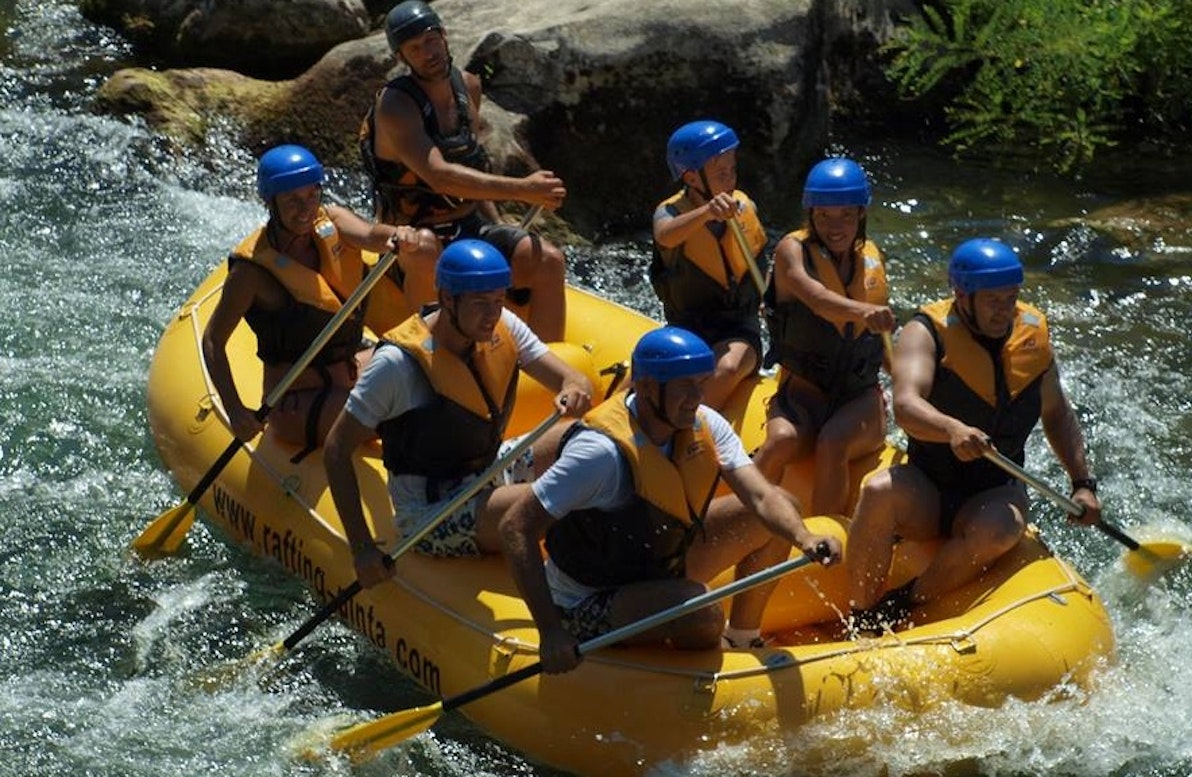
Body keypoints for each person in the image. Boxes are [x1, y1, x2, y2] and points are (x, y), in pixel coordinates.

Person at [497, 326, 843, 672]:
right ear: (647, 387)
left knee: (784, 506)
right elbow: (515, 526)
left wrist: (804, 537)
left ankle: (742, 636)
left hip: (659, 560)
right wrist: (550, 632)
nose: (696, 397)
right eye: (684, 386)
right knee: (704, 615)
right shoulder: (599, 453)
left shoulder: (706, 424)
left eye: (701, 383)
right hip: (585, 599)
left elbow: (761, 496)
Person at [845, 238, 1102, 633]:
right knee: (878, 491)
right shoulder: (924, 332)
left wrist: (1082, 484)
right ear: (963, 297)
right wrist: (952, 429)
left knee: (1001, 528)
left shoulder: (1031, 339)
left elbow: (1057, 413)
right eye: (993, 301)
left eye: (1011, 299)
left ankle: (905, 602)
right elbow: (906, 405)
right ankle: (861, 614)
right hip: (928, 486)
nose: (1005, 311)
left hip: (994, 490)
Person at [322, 239, 594, 589]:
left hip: (489, 469)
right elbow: (336, 449)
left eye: (498, 300)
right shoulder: (396, 365)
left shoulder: (503, 325)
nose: (492, 314)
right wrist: (362, 548)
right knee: (556, 496)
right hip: (431, 513)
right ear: (449, 299)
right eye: (480, 303)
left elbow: (573, 379)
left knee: (588, 442)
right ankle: (572, 594)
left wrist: (573, 391)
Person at [202, 143, 438, 456]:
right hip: (299, 402)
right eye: (292, 200)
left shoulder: (332, 221)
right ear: (271, 202)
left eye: (312, 195)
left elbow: (371, 236)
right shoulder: (251, 273)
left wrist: (397, 235)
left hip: (350, 372)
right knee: (416, 418)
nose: (306, 209)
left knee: (433, 379)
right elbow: (213, 340)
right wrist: (234, 409)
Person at [361, 0, 568, 342]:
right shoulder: (396, 105)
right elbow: (440, 176)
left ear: (444, 36)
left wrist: (499, 223)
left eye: (432, 40)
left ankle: (548, 364)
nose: (428, 53)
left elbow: (470, 168)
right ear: (402, 57)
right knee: (425, 248)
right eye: (415, 48)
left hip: (468, 225)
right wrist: (523, 189)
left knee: (549, 259)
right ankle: (432, 350)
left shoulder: (468, 86)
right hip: (413, 238)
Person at [753, 158, 895, 518]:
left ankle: (822, 537)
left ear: (861, 213)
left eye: (845, 215)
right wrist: (863, 311)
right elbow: (817, 300)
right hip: (802, 397)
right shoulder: (791, 251)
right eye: (824, 216)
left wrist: (908, 387)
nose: (836, 227)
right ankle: (737, 522)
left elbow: (880, 345)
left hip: (859, 401)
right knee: (780, 441)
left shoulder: (871, 258)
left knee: (833, 441)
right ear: (811, 214)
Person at [649, 120, 767, 411]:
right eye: (721, 173)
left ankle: (689, 427)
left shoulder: (745, 206)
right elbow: (665, 235)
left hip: (740, 330)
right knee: (644, 373)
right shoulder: (670, 212)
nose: (730, 180)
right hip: (687, 328)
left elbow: (760, 262)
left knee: (727, 367)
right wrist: (706, 212)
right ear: (691, 177)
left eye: (732, 170)